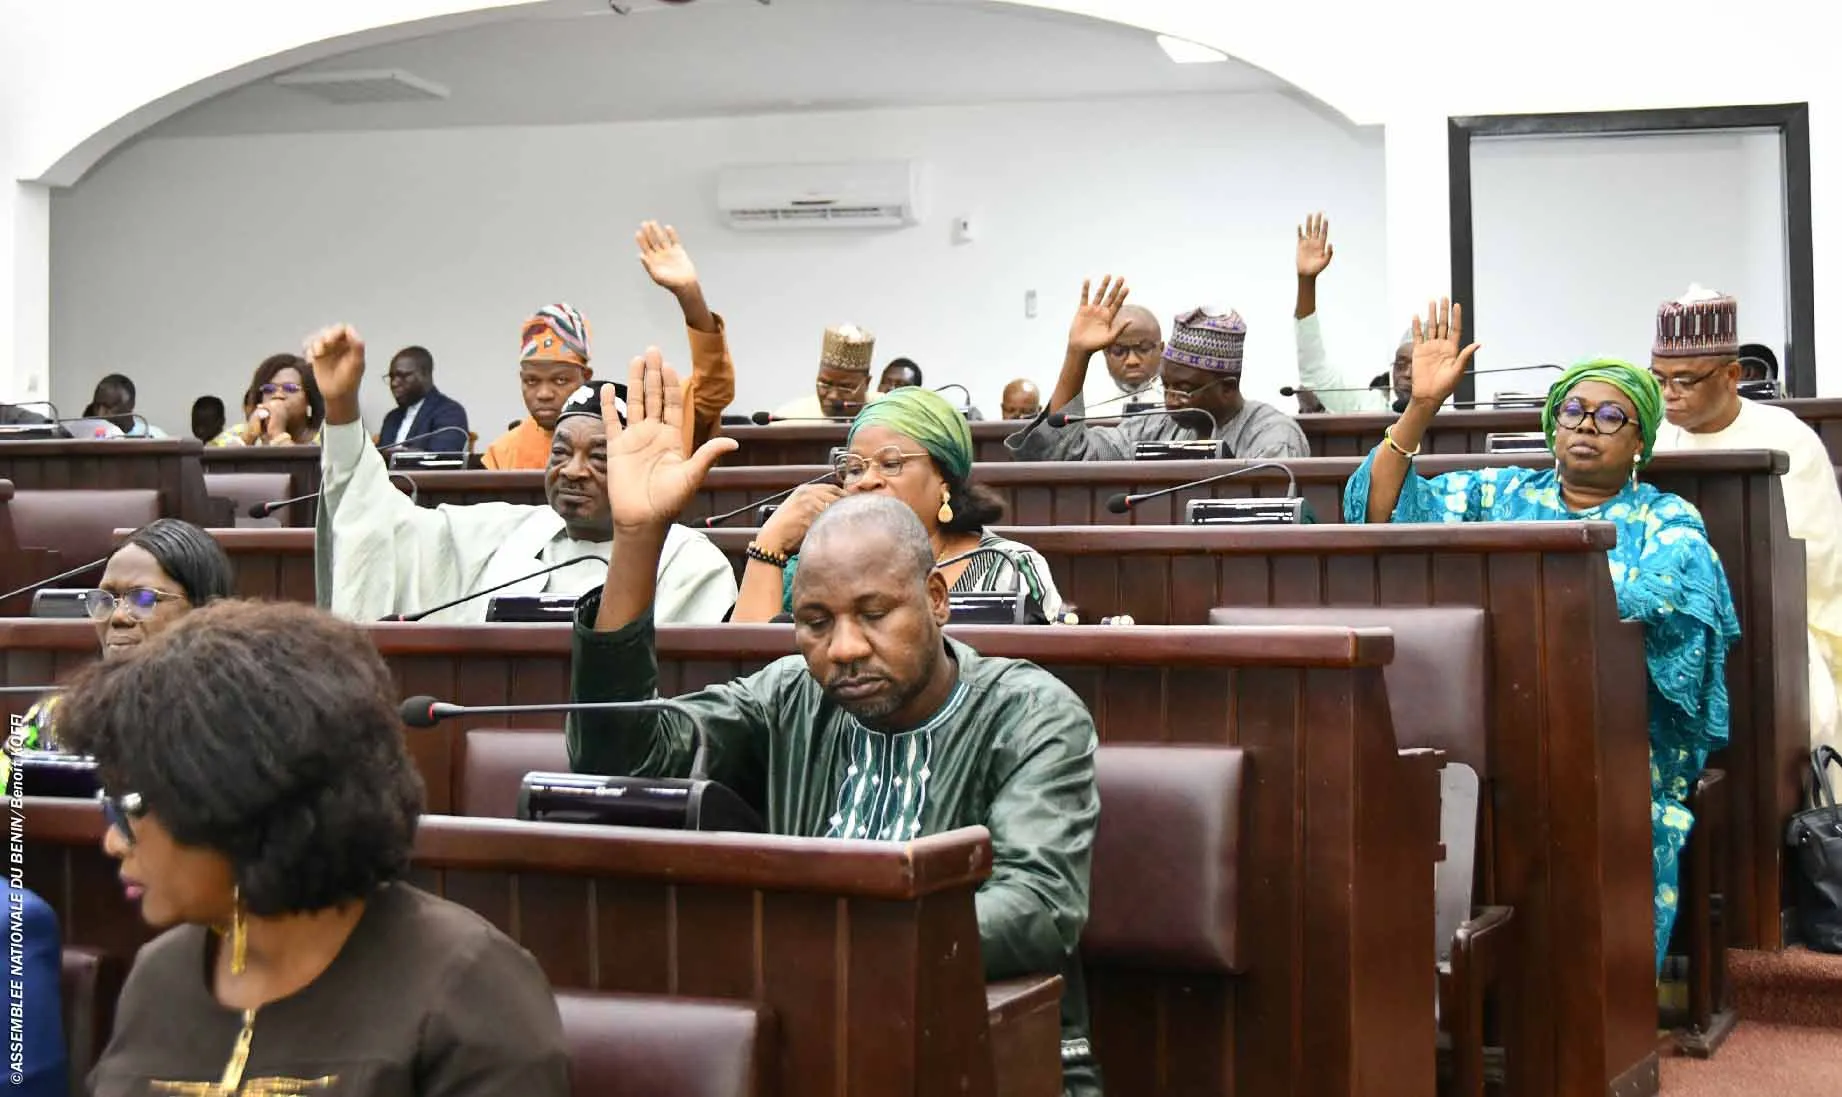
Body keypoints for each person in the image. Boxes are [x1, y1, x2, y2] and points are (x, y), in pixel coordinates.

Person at [566, 353, 1101, 1095]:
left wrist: (818, 942)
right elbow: (618, 760)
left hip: (987, 1052)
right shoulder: (792, 693)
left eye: (875, 614)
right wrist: (636, 540)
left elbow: (1037, 906)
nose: (844, 648)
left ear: (938, 601)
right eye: (815, 622)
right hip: (806, 1043)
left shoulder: (1031, 713)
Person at [1345, 297, 1740, 977]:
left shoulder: (1668, 518)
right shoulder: (1501, 492)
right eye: (1573, 411)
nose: (1588, 425)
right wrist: (1421, 409)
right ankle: (1428, 990)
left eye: (1611, 415)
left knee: (1606, 801)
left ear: (1640, 437)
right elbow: (1377, 510)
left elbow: (1654, 610)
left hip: (1612, 732)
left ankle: (1599, 1002)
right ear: (1552, 425)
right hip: (1493, 713)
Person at [53, 600, 571, 1097]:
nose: (113, 840)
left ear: (238, 800)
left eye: (131, 806)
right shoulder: (159, 976)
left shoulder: (468, 986)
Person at [308, 324, 735, 625]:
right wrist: (343, 407)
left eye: (599, 457)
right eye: (561, 452)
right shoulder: (505, 531)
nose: (572, 470)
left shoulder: (689, 561)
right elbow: (385, 524)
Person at [1650, 286, 1842, 752]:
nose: (1669, 395)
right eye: (1658, 379)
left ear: (1731, 374)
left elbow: (1813, 564)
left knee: (1807, 714)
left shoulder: (1785, 440)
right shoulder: (1651, 437)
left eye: (1685, 380)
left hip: (1774, 625)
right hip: (1668, 626)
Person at [733, 385, 1062, 623]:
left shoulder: (1008, 567)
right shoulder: (814, 565)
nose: (866, 480)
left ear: (943, 479)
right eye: (855, 468)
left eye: (891, 464)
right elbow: (749, 680)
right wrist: (770, 545)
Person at [483, 222, 734, 469]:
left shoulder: (626, 430)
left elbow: (713, 389)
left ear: (585, 377)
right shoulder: (504, 453)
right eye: (531, 381)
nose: (544, 394)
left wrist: (689, 295)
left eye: (560, 380)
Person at [1011, 277, 1309, 462]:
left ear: (1227, 387)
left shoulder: (1273, 436)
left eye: (1185, 389)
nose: (1171, 399)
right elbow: (1063, 456)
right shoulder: (1153, 426)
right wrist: (1078, 355)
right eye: (1167, 385)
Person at [16, 518, 235, 752]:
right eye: (105, 599)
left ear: (206, 609)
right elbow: (5, 784)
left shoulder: (240, 717)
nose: (118, 617)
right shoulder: (56, 715)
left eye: (143, 599)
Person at [1293, 212, 1410, 414]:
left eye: (1418, 366)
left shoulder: (1457, 414)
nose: (1407, 374)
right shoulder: (1371, 408)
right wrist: (1306, 282)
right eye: (1400, 364)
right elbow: (1315, 373)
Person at [770, 324, 877, 421]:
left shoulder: (887, 411)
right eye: (825, 384)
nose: (833, 396)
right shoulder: (789, 418)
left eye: (845, 387)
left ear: (866, 383)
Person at [377, 346, 470, 453]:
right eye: (392, 377)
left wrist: (406, 455)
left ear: (425, 374)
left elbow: (443, 458)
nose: (394, 383)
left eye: (402, 376)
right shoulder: (392, 417)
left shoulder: (450, 412)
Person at [216, 354, 324, 446]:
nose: (277, 395)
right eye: (269, 389)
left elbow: (306, 468)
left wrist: (278, 435)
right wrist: (248, 437)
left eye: (290, 388)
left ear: (309, 399)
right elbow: (215, 466)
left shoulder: (325, 437)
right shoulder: (241, 432)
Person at [87, 373, 168, 437]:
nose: (100, 414)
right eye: (97, 406)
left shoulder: (154, 438)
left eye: (109, 407)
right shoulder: (86, 437)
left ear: (130, 405)